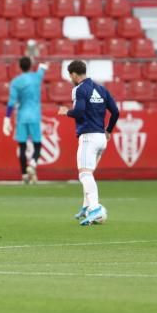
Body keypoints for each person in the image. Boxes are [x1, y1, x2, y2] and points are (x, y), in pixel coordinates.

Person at [57, 60, 119, 226]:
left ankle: (95, 208)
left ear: (74, 75)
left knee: (84, 174)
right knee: (89, 174)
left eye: (70, 75)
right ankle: (86, 207)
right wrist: (109, 130)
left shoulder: (79, 89)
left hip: (88, 137)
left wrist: (65, 112)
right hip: (101, 138)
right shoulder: (101, 89)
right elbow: (115, 112)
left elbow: (79, 111)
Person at [4, 57, 49, 185]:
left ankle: (24, 174)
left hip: (22, 116)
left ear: (20, 67)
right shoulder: (37, 77)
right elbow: (43, 66)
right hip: (35, 115)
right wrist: (40, 62)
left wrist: (7, 118)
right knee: (37, 144)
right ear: (30, 65)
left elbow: (11, 102)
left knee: (22, 146)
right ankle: (33, 164)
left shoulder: (16, 82)